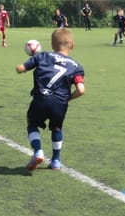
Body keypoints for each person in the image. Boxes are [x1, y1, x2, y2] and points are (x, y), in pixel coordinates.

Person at [15, 28, 85, 171]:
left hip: (40, 99)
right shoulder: (76, 67)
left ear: (52, 45)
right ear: (72, 45)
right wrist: (67, 99)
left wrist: (19, 68)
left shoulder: (43, 56)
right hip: (60, 104)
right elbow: (81, 90)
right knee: (57, 128)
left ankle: (38, 151)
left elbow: (21, 68)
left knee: (32, 124)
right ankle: (56, 161)